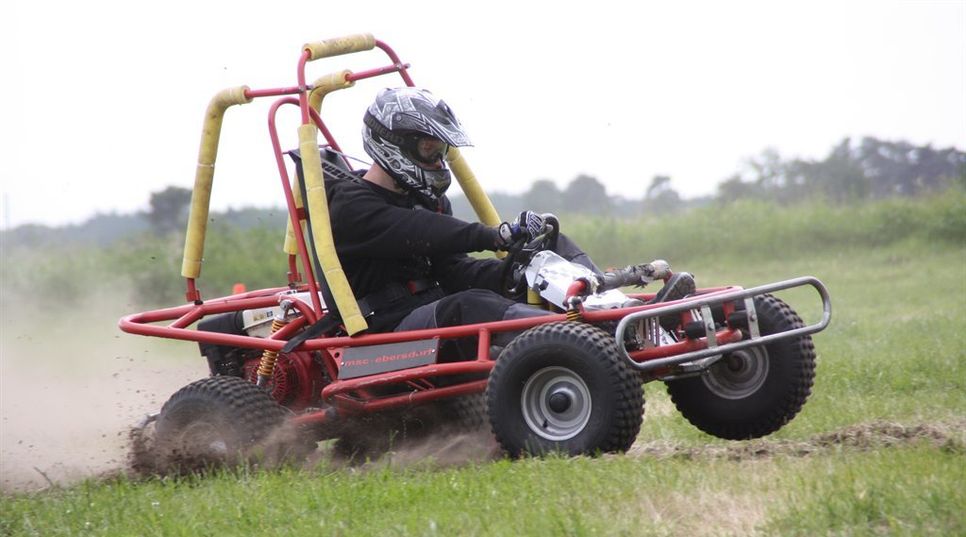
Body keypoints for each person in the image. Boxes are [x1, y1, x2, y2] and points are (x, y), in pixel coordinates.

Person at [324, 87, 692, 345]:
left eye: (441, 150)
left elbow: (453, 269)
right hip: (385, 331)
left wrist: (517, 267)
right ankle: (590, 337)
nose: (437, 161)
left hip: (431, 310)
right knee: (468, 305)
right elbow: (418, 232)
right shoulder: (351, 205)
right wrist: (494, 235)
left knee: (546, 250)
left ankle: (621, 315)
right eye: (428, 149)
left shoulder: (426, 200)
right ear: (393, 144)